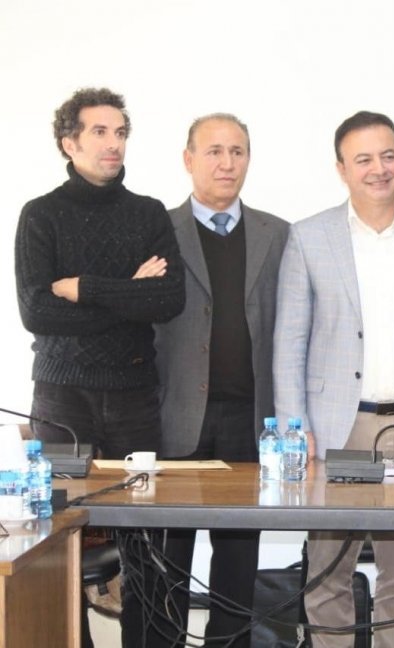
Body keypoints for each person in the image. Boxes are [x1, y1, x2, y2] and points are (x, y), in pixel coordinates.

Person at [274, 110, 394, 648]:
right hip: (335, 429)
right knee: (327, 571)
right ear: (342, 169)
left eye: (388, 156)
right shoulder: (309, 237)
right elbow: (289, 343)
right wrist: (296, 430)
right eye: (364, 159)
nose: (379, 169)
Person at [14, 87, 186, 648]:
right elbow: (38, 313)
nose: (114, 144)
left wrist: (84, 288)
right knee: (56, 540)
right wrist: (128, 292)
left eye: (121, 132)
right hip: (62, 400)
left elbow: (168, 300)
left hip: (135, 398)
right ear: (69, 143)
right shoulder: (40, 215)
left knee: (146, 544)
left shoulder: (148, 213)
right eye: (100, 132)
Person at [135, 114, 288, 648]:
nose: (227, 163)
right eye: (214, 151)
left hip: (250, 421)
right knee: (167, 561)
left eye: (237, 151)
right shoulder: (156, 230)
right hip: (175, 417)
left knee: (238, 563)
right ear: (188, 159)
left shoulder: (278, 234)